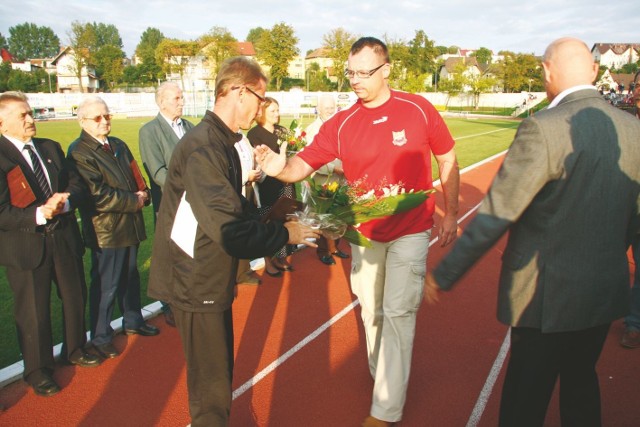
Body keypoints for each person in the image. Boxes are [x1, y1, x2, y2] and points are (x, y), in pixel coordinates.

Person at [426, 38, 640, 427]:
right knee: (581, 384)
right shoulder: (632, 129)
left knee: (527, 396)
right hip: (602, 291)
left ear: (546, 71)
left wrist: (445, 273)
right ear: (594, 71)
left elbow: (497, 213)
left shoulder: (542, 128)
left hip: (545, 297)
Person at [255, 37, 460, 427]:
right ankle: (384, 373)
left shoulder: (418, 109)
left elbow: (447, 157)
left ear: (386, 71)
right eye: (350, 72)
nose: (355, 80)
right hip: (364, 234)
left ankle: (385, 408)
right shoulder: (343, 122)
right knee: (371, 309)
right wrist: (279, 167)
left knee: (399, 311)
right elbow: (304, 164)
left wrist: (451, 212)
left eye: (364, 73)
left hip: (412, 230)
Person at [147, 56, 320, 426]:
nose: (262, 107)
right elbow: (230, 230)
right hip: (196, 277)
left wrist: (276, 214)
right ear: (239, 91)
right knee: (212, 389)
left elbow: (234, 209)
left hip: (208, 272)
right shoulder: (205, 146)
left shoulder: (220, 141)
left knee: (217, 374)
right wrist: (285, 234)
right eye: (260, 97)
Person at [0, 91, 100, 397]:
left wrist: (66, 202)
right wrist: (39, 214)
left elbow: (76, 184)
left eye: (31, 113)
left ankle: (75, 348)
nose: (31, 119)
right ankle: (38, 370)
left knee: (73, 296)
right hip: (27, 245)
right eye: (23, 116)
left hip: (64, 238)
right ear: (2, 123)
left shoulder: (50, 148)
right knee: (34, 310)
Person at [67, 96, 159, 361]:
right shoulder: (79, 152)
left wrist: (144, 193)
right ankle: (100, 336)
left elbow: (136, 176)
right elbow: (97, 194)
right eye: (98, 118)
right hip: (105, 229)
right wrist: (135, 200)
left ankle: (133, 320)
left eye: (107, 116)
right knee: (106, 285)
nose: (105, 121)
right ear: (82, 121)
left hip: (129, 223)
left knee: (130, 277)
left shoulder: (117, 144)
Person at [139, 81, 195, 326]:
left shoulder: (191, 127)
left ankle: (188, 296)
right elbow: (157, 171)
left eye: (181, 97)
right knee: (170, 252)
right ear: (161, 102)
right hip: (171, 202)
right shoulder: (149, 131)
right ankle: (169, 303)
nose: (182, 101)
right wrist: (185, 188)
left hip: (194, 201)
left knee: (191, 250)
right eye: (176, 98)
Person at [247, 97, 297, 277]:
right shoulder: (255, 134)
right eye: (273, 111)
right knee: (270, 222)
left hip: (287, 183)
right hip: (269, 185)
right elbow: (261, 161)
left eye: (278, 110)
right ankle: (268, 260)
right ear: (263, 113)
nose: (277, 114)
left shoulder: (283, 131)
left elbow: (293, 152)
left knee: (286, 221)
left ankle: (281, 257)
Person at [304, 94, 349, 265]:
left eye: (333, 107)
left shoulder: (340, 126)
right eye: (327, 108)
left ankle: (335, 247)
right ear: (319, 109)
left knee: (338, 215)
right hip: (323, 180)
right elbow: (312, 158)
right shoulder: (312, 130)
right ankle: (323, 250)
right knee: (323, 217)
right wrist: (334, 168)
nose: (330, 111)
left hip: (341, 179)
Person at [621, 69, 640, 349]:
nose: (636, 91)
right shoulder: (624, 122)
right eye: (637, 85)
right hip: (620, 209)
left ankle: (634, 323)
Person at [234, 134, 264, 285]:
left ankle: (243, 271)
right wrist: (247, 175)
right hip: (236, 192)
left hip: (249, 190)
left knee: (246, 231)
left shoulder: (243, 137)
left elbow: (252, 159)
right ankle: (237, 274)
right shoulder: (223, 137)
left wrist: (258, 170)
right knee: (236, 232)